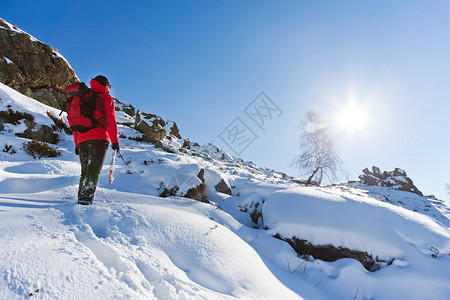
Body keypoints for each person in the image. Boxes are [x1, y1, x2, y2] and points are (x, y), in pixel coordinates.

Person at [73, 75, 119, 205]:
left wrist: (77, 143)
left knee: (85, 171)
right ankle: (85, 201)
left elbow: (76, 122)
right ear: (105, 85)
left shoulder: (83, 98)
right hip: (99, 139)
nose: (109, 89)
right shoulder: (106, 98)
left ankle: (81, 199)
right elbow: (111, 121)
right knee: (93, 170)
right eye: (108, 86)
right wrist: (115, 141)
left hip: (81, 140)